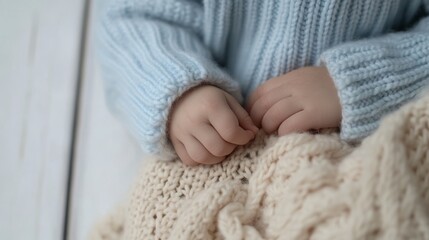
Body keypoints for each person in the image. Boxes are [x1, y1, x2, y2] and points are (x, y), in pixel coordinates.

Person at [97, 0, 429, 166]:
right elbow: (132, 14)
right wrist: (179, 90)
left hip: (365, 155)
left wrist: (361, 82)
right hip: (210, 161)